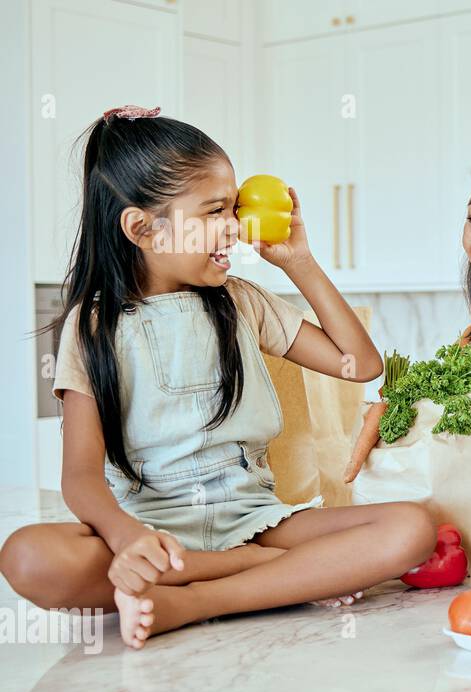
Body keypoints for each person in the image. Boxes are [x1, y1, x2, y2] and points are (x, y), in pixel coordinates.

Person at [0, 109, 437, 648]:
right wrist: (128, 538)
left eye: (233, 208)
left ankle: (191, 599)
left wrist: (299, 262)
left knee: (412, 529)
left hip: (255, 520)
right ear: (141, 227)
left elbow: (361, 364)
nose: (235, 226)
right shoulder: (91, 328)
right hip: (151, 525)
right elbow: (82, 478)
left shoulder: (243, 302)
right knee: (28, 555)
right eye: (214, 211)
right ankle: (276, 575)